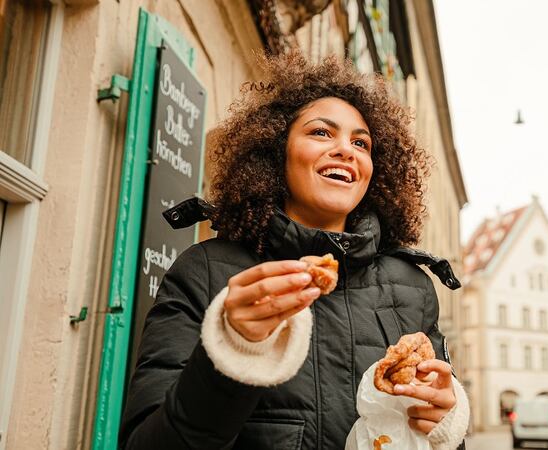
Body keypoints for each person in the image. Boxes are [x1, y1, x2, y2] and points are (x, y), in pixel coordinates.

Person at [119, 51, 469, 450]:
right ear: (275, 152)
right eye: (321, 133)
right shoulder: (204, 271)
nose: (346, 150)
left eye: (361, 142)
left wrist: (444, 424)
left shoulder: (412, 287)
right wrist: (236, 350)